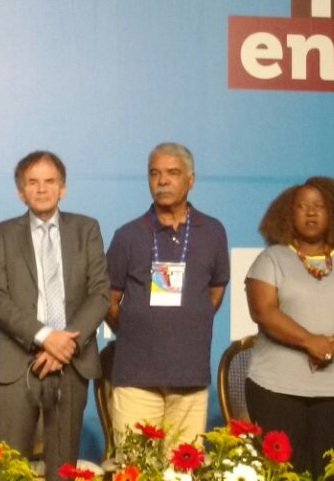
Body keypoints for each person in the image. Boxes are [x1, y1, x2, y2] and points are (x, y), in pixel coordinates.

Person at [0, 151, 109, 473]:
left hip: (72, 360)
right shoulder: (1, 234)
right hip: (16, 362)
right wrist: (45, 337)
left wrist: (65, 344)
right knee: (9, 469)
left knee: (63, 469)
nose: (42, 189)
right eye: (33, 182)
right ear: (20, 191)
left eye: (50, 181)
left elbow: (100, 293)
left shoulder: (86, 229)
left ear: (62, 188)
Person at [246, 177, 334, 475]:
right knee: (284, 474)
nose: (311, 212)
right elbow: (264, 311)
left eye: (319, 206)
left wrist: (332, 346)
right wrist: (310, 342)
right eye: (302, 206)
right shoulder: (271, 258)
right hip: (276, 389)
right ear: (287, 213)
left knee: (331, 473)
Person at [106, 143, 230, 445]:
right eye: (155, 173)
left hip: (190, 376)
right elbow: (108, 298)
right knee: (135, 466)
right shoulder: (127, 235)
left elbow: (215, 291)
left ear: (190, 180)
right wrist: (137, 328)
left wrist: (186, 321)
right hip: (136, 377)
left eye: (172, 173)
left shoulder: (213, 231)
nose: (162, 181)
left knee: (183, 466)